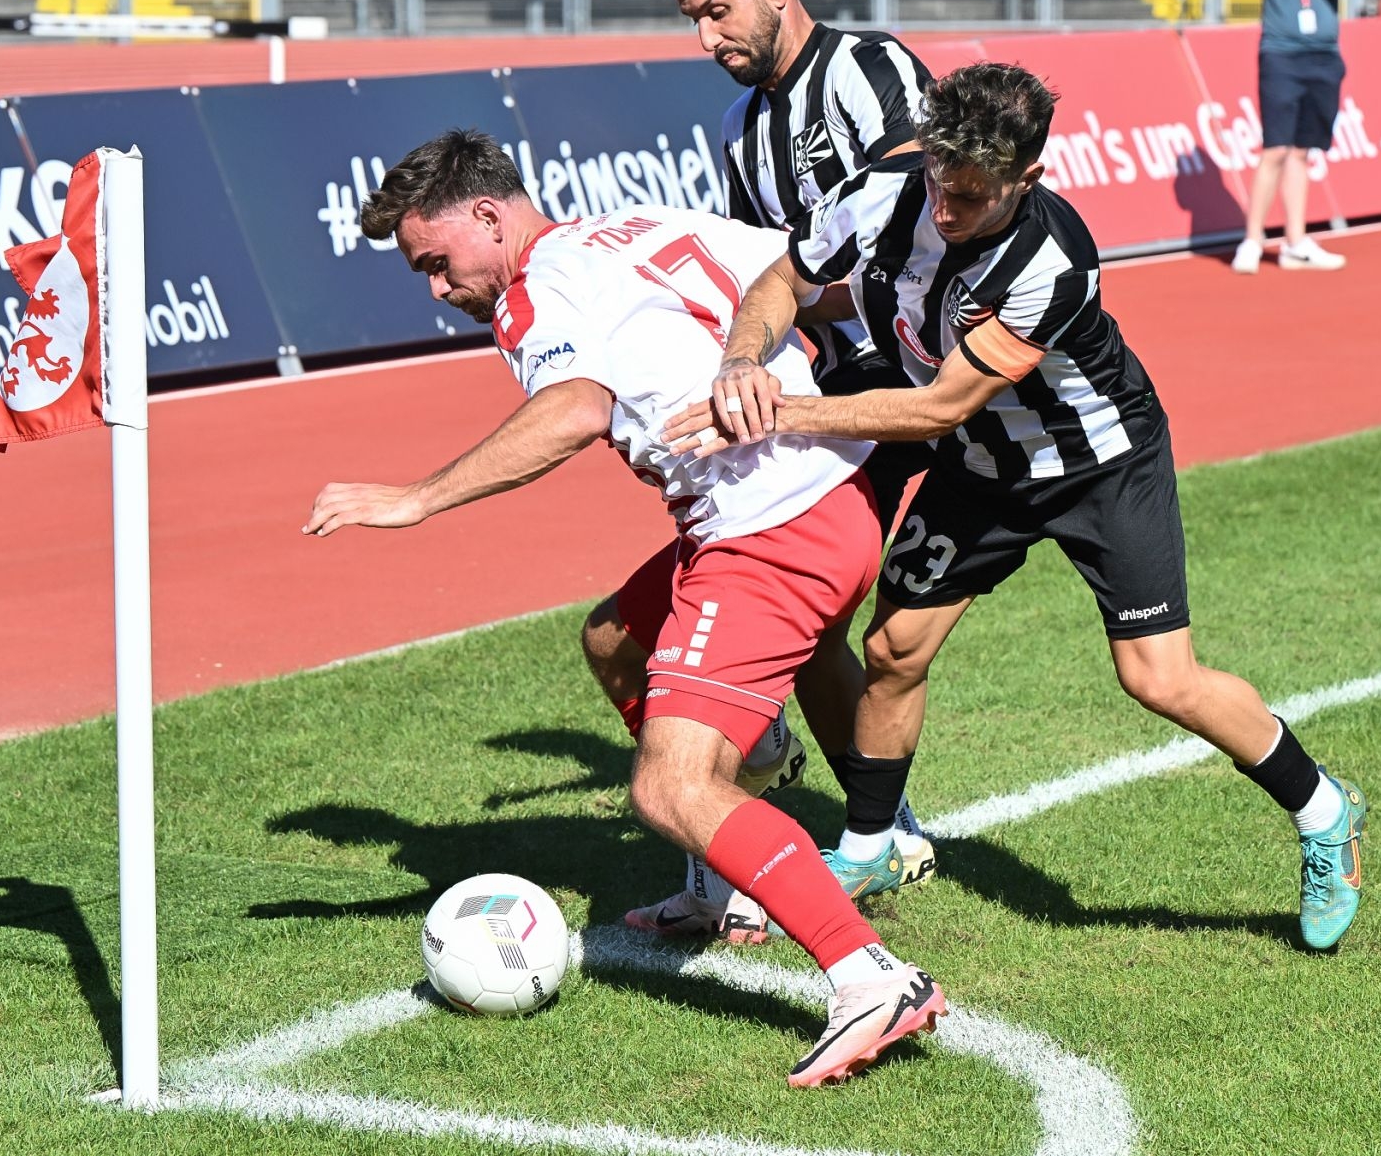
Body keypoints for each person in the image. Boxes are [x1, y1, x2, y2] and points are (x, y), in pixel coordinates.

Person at [668, 63, 1370, 952]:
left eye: (970, 195)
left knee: (1159, 678)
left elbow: (936, 407)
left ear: (1027, 177)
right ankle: (872, 847)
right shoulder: (887, 187)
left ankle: (1323, 809)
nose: (945, 208)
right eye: (938, 180)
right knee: (893, 648)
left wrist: (781, 409)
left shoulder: (1053, 259)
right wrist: (741, 360)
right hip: (982, 464)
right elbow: (784, 278)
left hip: (1098, 465)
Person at [303, 128, 946, 1085]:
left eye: (436, 263)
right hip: (826, 498)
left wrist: (415, 498)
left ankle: (870, 977)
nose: (438, 290)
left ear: (488, 216)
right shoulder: (635, 227)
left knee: (669, 786)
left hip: (769, 531)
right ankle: (725, 877)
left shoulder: (530, 293)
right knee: (614, 639)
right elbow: (802, 280)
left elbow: (574, 409)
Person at [589, 0, 938, 940]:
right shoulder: (746, 134)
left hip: (920, 390)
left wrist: (806, 305)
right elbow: (758, 277)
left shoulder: (871, 71)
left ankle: (865, 817)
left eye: (717, 11)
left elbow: (917, 225)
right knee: (813, 619)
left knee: (855, 620)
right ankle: (879, 823)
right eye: (693, 19)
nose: (708, 38)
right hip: (825, 402)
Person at [1231, 0, 1357, 276]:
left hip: (1323, 53)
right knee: (1275, 149)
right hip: (1281, 53)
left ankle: (1296, 241)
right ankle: (1252, 239)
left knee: (1302, 151)